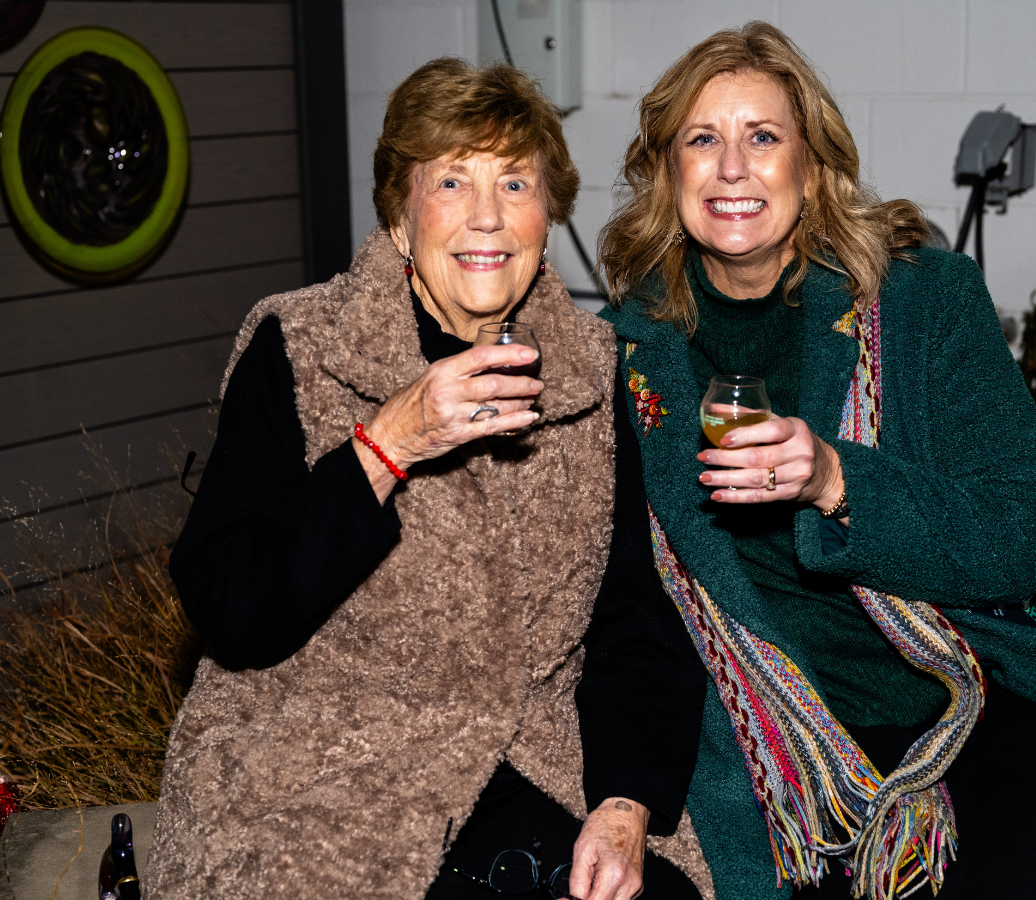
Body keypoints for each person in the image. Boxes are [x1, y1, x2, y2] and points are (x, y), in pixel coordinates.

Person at [598, 22, 1036, 900]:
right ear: (666, 169)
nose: (732, 168)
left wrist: (837, 481)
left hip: (961, 698)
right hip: (768, 745)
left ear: (812, 161)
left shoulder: (922, 300)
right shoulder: (623, 350)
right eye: (701, 139)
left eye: (763, 137)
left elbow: (1023, 532)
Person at [145, 59, 713, 900]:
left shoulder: (591, 371)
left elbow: (634, 612)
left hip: (526, 759)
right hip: (319, 771)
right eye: (452, 180)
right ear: (401, 219)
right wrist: (388, 442)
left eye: (515, 183)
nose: (488, 217)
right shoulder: (301, 348)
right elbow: (231, 605)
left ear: (546, 217)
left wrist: (625, 803)